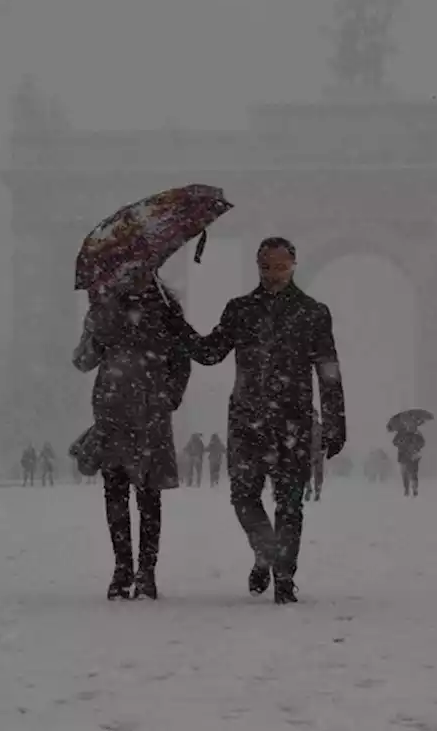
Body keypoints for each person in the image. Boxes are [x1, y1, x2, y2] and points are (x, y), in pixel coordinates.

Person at [182, 237, 346, 604]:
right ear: (258, 266)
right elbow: (210, 353)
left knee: (290, 504)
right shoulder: (240, 310)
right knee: (243, 498)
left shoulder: (313, 313)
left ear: (294, 265)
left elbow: (329, 371)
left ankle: (284, 577)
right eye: (266, 267)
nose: (273, 274)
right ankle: (266, 553)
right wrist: (178, 326)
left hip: (294, 420)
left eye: (280, 266)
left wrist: (336, 422)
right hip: (247, 419)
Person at [73, 272, 191, 601]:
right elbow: (83, 360)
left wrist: (171, 396)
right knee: (116, 495)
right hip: (112, 415)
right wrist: (95, 322)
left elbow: (182, 360)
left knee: (149, 498)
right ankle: (122, 568)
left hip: (151, 417)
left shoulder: (168, 310)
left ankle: (146, 571)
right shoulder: (105, 312)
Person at [394, 423, 425, 497]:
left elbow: (422, 443)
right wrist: (400, 442)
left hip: (412, 457)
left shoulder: (417, 434)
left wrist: (416, 446)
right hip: (404, 457)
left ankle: (413, 488)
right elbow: (394, 442)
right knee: (406, 474)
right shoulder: (401, 434)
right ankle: (407, 488)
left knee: (412, 473)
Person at [304, 420, 326, 502]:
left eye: (315, 416)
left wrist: (323, 449)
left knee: (319, 472)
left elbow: (325, 439)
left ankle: (318, 491)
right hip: (310, 452)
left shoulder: (321, 428)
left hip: (319, 452)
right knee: (307, 472)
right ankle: (308, 488)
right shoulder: (308, 427)